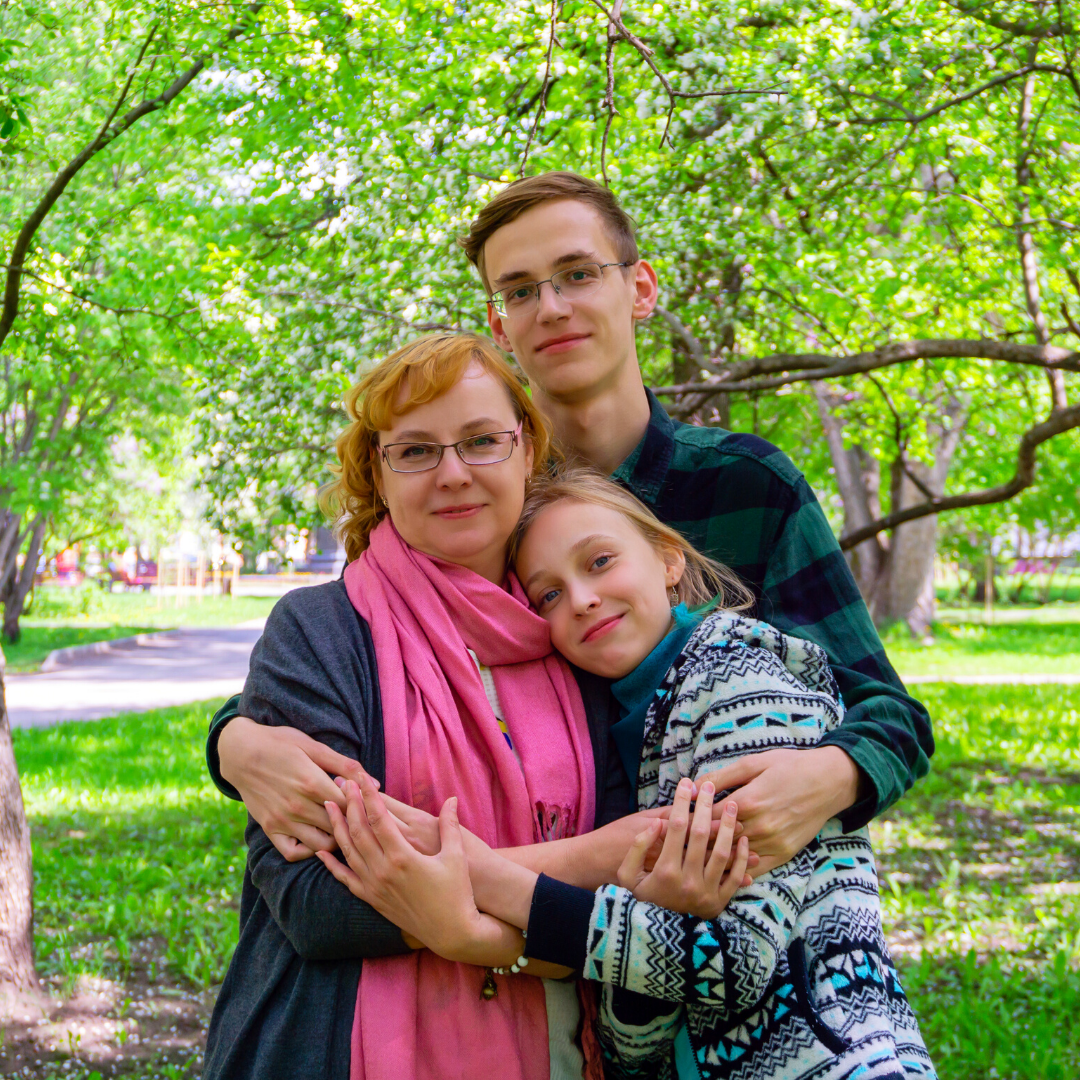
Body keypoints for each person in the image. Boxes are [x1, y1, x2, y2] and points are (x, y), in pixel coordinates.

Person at [207, 171, 932, 880]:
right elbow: (370, 646)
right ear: (500, 322)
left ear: (639, 289)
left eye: (578, 274)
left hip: (740, 934)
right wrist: (236, 739)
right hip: (547, 936)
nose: (550, 307)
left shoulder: (746, 487)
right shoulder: (475, 503)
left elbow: (888, 711)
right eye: (520, 290)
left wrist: (830, 776)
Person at [322, 468, 936, 1079]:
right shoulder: (632, 725)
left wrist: (484, 879)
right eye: (550, 596)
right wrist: (647, 923)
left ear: (669, 560)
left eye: (600, 561)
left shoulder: (739, 683)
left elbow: (737, 960)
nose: (583, 598)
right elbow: (636, 1047)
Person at [202, 334, 687, 1080]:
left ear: (527, 449)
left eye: (481, 441)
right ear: (379, 475)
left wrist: (445, 888)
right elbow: (316, 904)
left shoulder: (580, 629)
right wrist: (582, 862)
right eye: (417, 451)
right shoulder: (321, 633)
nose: (454, 473)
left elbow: (642, 890)